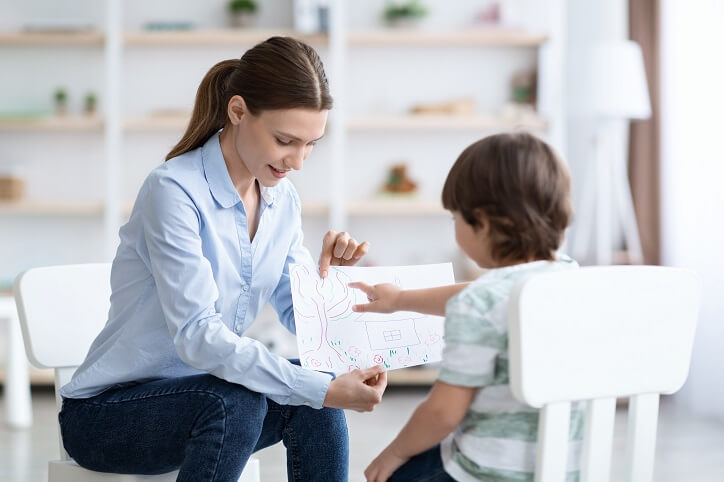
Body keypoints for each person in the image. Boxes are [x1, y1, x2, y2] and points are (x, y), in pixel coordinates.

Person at [58, 36, 387, 482]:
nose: (299, 161)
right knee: (249, 398)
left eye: (311, 144)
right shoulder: (173, 192)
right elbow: (197, 336)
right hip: (108, 416)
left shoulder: (281, 198)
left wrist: (331, 287)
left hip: (209, 401)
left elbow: (301, 316)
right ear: (237, 111)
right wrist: (322, 388)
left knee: (311, 400)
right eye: (285, 140)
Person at [352, 132, 583, 482]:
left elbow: (442, 414)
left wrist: (394, 451)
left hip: (486, 472)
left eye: (455, 218)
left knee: (393, 474)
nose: (454, 227)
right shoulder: (566, 276)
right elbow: (481, 294)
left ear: (484, 224)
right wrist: (399, 300)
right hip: (561, 467)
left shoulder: (480, 304)